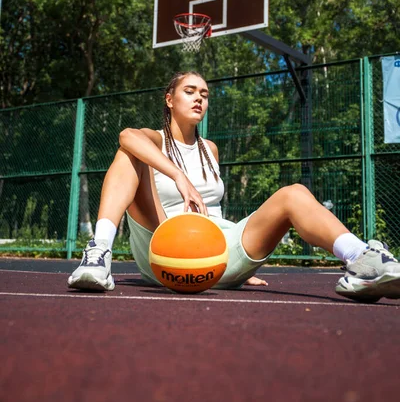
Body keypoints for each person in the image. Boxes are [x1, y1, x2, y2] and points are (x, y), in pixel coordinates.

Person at [68, 71, 400, 302]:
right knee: (129, 154)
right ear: (169, 99)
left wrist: (237, 266)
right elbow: (126, 136)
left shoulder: (210, 149)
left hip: (216, 246)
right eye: (190, 91)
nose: (199, 98)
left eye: (205, 94)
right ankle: (98, 253)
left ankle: (364, 260)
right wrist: (178, 176)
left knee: (293, 194)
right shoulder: (153, 139)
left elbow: (213, 210)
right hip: (163, 241)